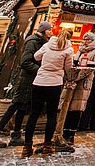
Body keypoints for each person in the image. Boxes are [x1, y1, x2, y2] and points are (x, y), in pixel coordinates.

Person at [0, 21, 53, 147]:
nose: (51, 32)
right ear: (43, 30)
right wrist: (40, 70)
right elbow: (25, 62)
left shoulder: (42, 42)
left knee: (23, 107)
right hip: (26, 79)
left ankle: (16, 135)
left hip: (33, 79)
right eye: (49, 30)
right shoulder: (33, 42)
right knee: (15, 105)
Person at [23, 28, 73, 157]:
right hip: (54, 83)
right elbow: (68, 67)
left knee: (34, 114)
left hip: (39, 81)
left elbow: (36, 56)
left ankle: (27, 146)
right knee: (51, 115)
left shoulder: (47, 45)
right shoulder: (68, 49)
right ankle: (47, 146)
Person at [62, 32, 95, 144]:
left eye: (87, 40)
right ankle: (64, 131)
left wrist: (85, 64)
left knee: (77, 107)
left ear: (92, 40)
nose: (85, 41)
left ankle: (71, 134)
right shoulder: (80, 49)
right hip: (74, 80)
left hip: (84, 81)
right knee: (69, 106)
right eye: (84, 39)